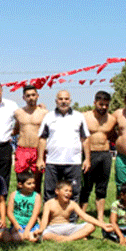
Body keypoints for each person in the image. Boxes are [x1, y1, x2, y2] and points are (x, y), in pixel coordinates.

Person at [37, 90, 90, 221]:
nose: (63, 101)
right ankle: (49, 220)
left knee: (74, 192)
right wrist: (40, 158)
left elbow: (85, 138)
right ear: (56, 101)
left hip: (73, 162)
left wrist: (87, 159)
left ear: (70, 101)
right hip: (52, 162)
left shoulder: (79, 116)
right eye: (60, 99)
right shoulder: (49, 117)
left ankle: (71, 221)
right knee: (50, 192)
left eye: (66, 99)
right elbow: (42, 138)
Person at [34, 180, 112, 242]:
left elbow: (85, 216)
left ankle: (66, 239)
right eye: (66, 190)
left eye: (70, 191)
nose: (69, 193)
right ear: (57, 191)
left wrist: (102, 225)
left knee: (91, 226)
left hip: (69, 227)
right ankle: (74, 237)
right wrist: (41, 230)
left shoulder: (72, 204)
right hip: (53, 228)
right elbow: (44, 220)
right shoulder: (49, 203)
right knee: (45, 235)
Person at [80, 91, 116, 223]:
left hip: (105, 154)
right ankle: (82, 214)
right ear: (94, 102)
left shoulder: (112, 119)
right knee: (86, 187)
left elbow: (114, 136)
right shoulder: (84, 116)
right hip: (90, 153)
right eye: (101, 104)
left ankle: (100, 216)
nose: (104, 107)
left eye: (106, 105)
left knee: (102, 187)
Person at [13, 85, 48, 191]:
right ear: (23, 97)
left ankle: (36, 206)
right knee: (21, 181)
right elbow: (16, 129)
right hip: (22, 149)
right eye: (28, 96)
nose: (31, 98)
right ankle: (21, 205)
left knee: (37, 182)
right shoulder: (18, 113)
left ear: (37, 96)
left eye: (33, 95)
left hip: (37, 150)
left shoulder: (44, 113)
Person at [2, 171, 42, 243]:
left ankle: (29, 235)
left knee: (35, 237)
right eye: (29, 184)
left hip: (32, 225)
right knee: (16, 238)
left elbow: (35, 214)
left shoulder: (36, 196)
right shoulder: (14, 195)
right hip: (18, 225)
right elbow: (9, 212)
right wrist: (16, 225)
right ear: (20, 185)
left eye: (33, 183)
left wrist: (27, 229)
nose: (32, 185)